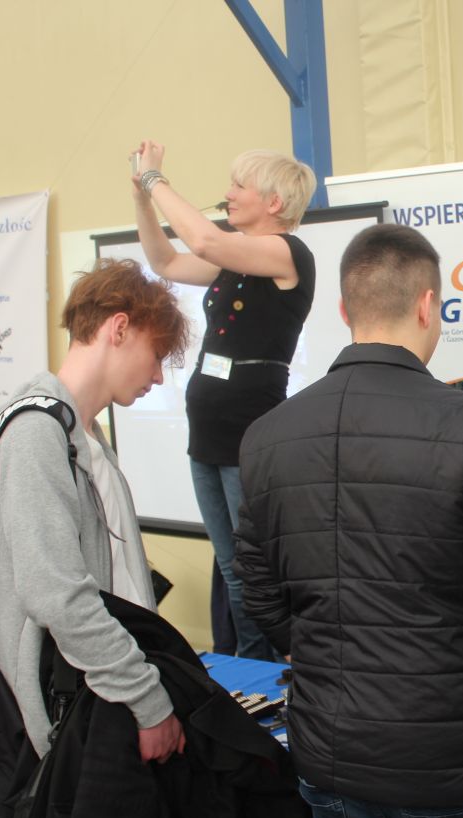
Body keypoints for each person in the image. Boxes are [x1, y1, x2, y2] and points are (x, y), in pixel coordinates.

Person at [234, 223, 463, 818]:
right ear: (428, 304)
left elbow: (260, 595)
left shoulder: (267, 435)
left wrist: (329, 652)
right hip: (458, 760)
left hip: (331, 755)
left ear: (344, 310)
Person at [0, 257, 189, 761]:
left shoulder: (86, 438)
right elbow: (56, 593)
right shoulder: (35, 433)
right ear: (119, 328)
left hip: (108, 697)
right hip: (72, 713)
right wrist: (147, 701)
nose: (157, 377)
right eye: (156, 355)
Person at [132, 142, 316, 662]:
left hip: (247, 430)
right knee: (232, 567)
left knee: (253, 569)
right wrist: (142, 198)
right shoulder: (234, 260)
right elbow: (165, 260)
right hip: (206, 430)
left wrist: (155, 179)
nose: (228, 194)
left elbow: (204, 239)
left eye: (239, 186)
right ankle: (246, 667)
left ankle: (265, 669)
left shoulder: (286, 253)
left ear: (274, 202)